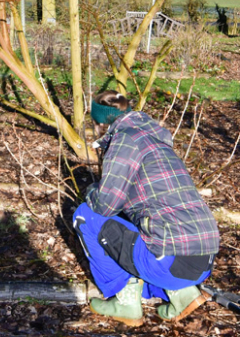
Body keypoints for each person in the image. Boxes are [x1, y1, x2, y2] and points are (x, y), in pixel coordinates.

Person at [74, 93, 220, 326]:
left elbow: (105, 205)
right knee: (141, 223)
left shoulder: (125, 140)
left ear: (101, 122)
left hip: (168, 264)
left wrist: (91, 189)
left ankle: (124, 300)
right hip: (203, 262)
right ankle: (182, 294)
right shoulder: (157, 141)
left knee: (85, 215)